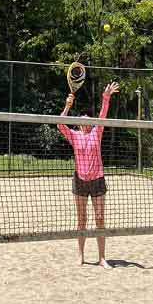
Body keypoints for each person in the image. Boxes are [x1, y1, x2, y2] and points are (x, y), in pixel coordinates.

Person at [58, 81, 120, 268]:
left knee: (100, 218)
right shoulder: (74, 136)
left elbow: (103, 114)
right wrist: (67, 106)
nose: (85, 119)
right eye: (82, 118)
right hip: (80, 180)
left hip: (97, 180)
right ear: (78, 124)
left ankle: (102, 258)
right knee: (82, 219)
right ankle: (81, 256)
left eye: (88, 118)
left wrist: (106, 97)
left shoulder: (96, 132)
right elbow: (60, 123)